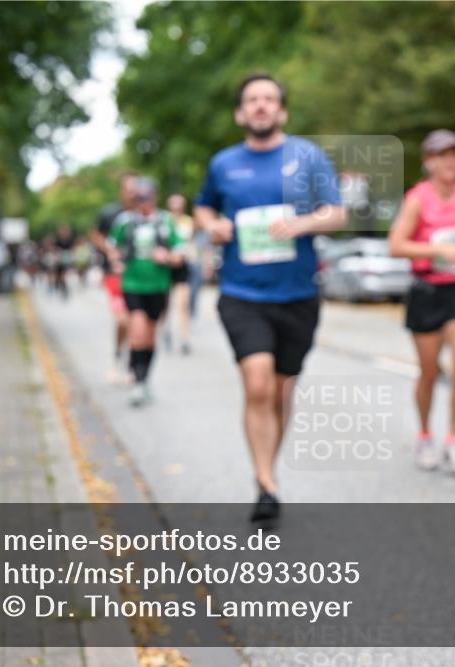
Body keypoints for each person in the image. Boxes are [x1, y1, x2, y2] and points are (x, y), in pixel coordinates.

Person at [194, 73, 347, 522]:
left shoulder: (308, 157)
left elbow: (337, 213)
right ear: (240, 113)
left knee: (280, 392)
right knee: (257, 384)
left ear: (281, 111)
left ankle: (268, 469)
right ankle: (266, 483)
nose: (260, 105)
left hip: (298, 294)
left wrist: (301, 223)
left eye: (268, 99)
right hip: (242, 293)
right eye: (252, 100)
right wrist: (212, 225)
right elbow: (203, 206)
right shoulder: (223, 163)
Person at [388, 129, 455, 476]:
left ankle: (454, 440)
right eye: (442, 155)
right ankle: (424, 436)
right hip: (427, 292)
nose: (451, 161)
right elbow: (396, 245)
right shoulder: (417, 198)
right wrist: (436, 250)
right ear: (429, 161)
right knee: (430, 372)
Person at [107, 177, 184, 407]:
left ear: (155, 197)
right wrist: (116, 261)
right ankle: (137, 381)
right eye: (139, 198)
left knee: (150, 336)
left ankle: (144, 379)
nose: (143, 202)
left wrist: (168, 257)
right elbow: (112, 245)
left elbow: (180, 252)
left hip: (158, 286)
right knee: (138, 331)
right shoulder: (126, 220)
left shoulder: (165, 220)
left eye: (147, 197)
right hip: (133, 285)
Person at [92, 173, 137, 381]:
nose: (133, 193)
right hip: (115, 274)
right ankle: (118, 357)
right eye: (129, 188)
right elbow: (96, 234)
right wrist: (110, 250)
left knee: (136, 321)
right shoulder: (110, 213)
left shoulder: (145, 214)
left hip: (139, 276)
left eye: (136, 188)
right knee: (123, 320)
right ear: (122, 191)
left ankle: (133, 366)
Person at [163, 193, 197, 354]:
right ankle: (166, 330)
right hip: (164, 266)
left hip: (182, 265)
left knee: (183, 303)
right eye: (174, 204)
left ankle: (184, 337)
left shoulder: (188, 222)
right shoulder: (163, 221)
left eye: (180, 205)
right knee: (164, 304)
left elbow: (191, 243)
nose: (177, 208)